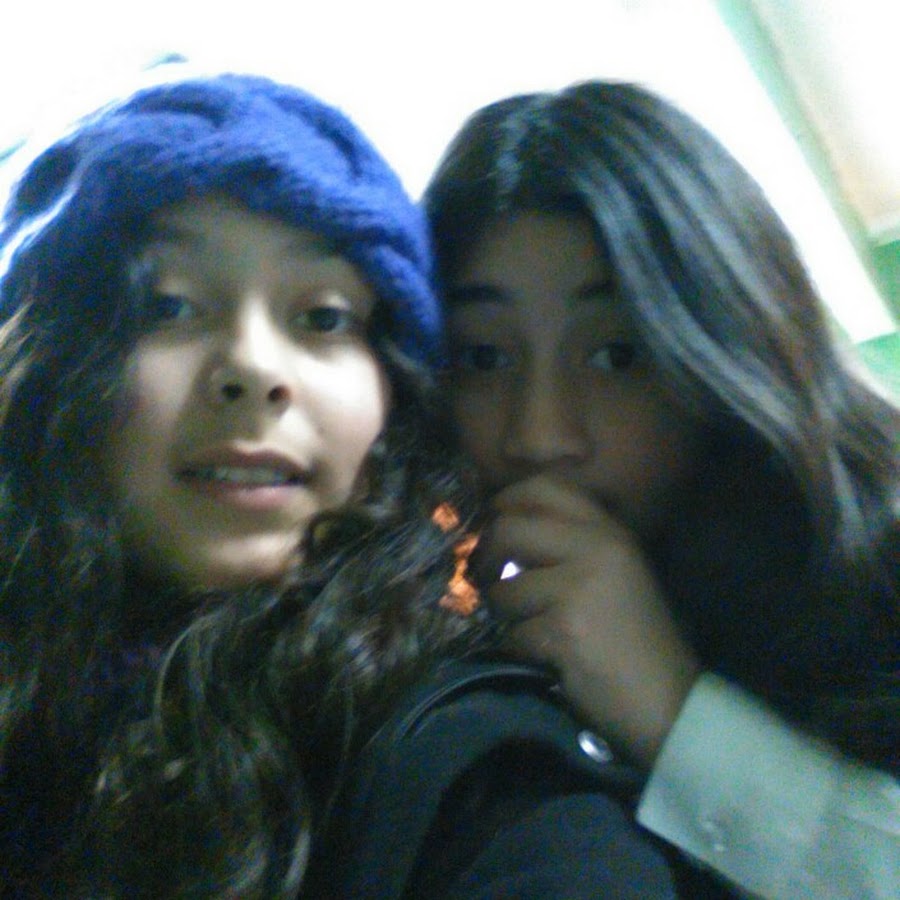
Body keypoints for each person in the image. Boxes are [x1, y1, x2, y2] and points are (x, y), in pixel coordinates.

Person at [0, 72, 681, 897]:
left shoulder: (468, 768)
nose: (254, 368)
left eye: (323, 317)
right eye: (168, 305)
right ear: (46, 371)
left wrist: (687, 730)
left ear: (395, 402)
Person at [424, 80, 900, 899]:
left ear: (722, 344)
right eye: (483, 358)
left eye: (617, 354)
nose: (539, 435)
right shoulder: (463, 639)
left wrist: (676, 716)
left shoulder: (876, 562)